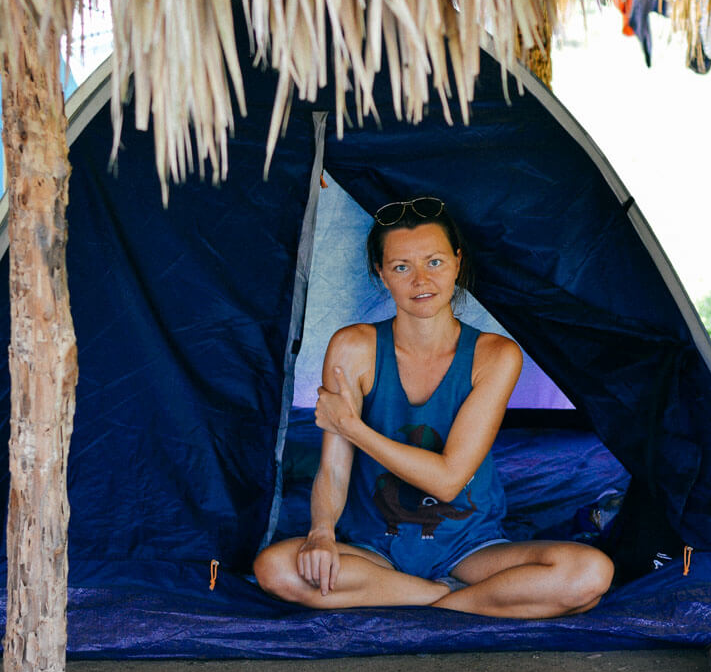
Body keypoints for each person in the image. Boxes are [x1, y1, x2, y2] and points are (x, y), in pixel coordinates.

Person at [254, 196, 614, 618]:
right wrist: (320, 533)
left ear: (458, 263)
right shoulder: (353, 347)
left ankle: (408, 594)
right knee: (275, 568)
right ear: (381, 274)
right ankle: (446, 599)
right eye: (401, 267)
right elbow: (333, 470)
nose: (420, 280)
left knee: (589, 573)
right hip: (374, 546)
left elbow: (447, 482)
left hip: (470, 548)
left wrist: (354, 428)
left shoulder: (495, 355)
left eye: (435, 262)